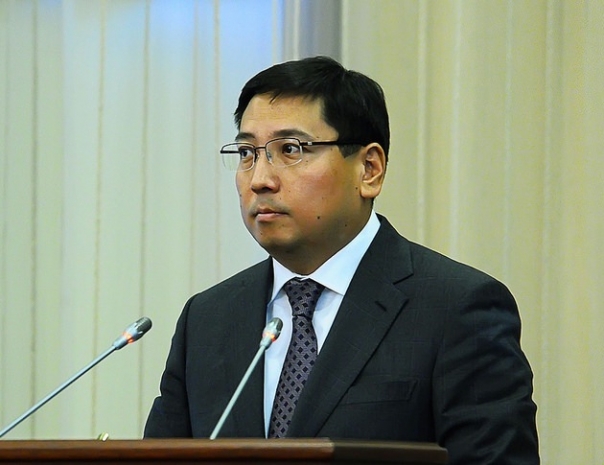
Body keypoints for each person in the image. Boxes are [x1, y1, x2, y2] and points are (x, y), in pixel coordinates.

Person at [144, 56, 539, 464]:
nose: (260, 178)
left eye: (291, 149)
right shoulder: (207, 320)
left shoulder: (456, 309)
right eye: (247, 153)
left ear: (369, 169)